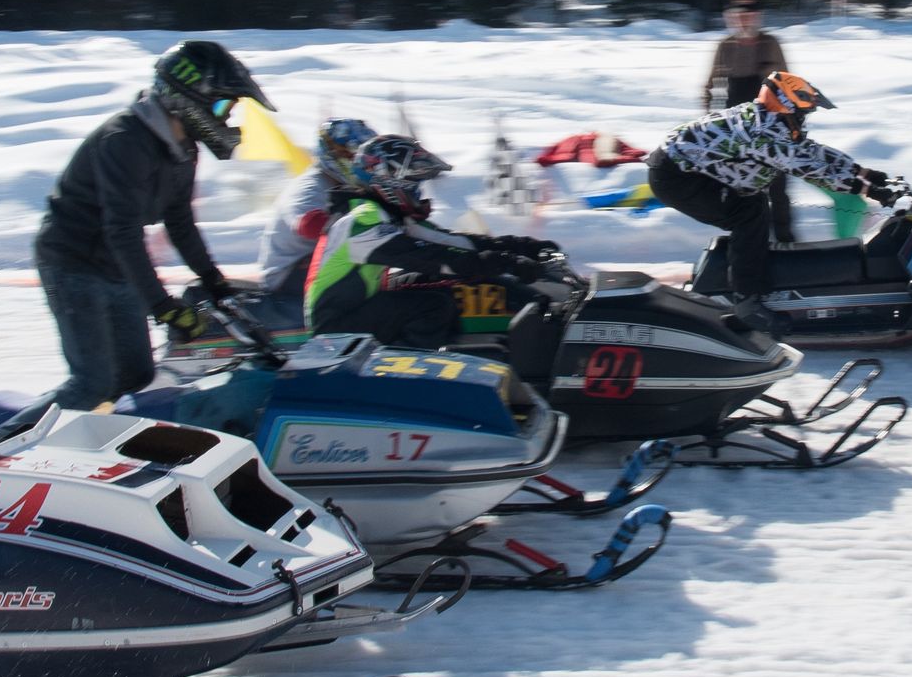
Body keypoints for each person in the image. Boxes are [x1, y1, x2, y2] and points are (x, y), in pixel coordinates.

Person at [35, 39, 269, 408]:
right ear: (188, 98)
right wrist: (163, 306)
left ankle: (82, 445)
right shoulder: (125, 142)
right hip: (72, 260)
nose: (227, 119)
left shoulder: (183, 148)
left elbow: (180, 220)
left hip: (114, 264)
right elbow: (122, 231)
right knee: (91, 383)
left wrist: (214, 282)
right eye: (224, 105)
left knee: (137, 375)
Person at [646, 71, 900, 332]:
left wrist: (863, 173)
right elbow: (808, 167)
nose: (804, 119)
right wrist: (866, 189)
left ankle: (756, 278)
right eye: (803, 112)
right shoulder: (763, 132)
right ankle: (746, 305)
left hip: (687, 169)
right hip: (676, 177)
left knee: (753, 206)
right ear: (786, 105)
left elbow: (810, 151)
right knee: (748, 216)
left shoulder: (770, 120)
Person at [304, 134, 565, 380]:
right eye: (415, 183)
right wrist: (503, 263)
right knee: (432, 306)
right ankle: (405, 382)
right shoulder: (361, 218)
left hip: (357, 307)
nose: (419, 192)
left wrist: (523, 247)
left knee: (450, 285)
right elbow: (428, 256)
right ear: (389, 179)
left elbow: (454, 242)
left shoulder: (387, 215)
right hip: (334, 326)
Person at [242, 117, 374, 332]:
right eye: (350, 154)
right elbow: (308, 223)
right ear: (333, 153)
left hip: (315, 267)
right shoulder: (311, 185)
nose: (358, 162)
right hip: (288, 276)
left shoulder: (348, 186)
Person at [702, 0, 797, 242]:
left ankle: (786, 240)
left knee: (777, 187)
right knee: (743, 187)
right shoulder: (725, 47)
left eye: (749, 16)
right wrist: (709, 123)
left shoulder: (771, 44)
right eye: (738, 16)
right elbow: (711, 88)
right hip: (737, 129)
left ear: (758, 17)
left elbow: (787, 85)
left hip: (772, 127)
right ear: (730, 19)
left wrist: (791, 123)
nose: (743, 21)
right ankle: (751, 241)